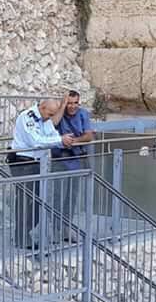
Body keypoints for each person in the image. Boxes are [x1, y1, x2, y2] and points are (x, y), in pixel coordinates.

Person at [8, 99, 74, 249]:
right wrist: (60, 140)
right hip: (23, 163)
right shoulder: (27, 117)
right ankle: (21, 237)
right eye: (49, 114)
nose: (50, 118)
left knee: (38, 203)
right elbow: (35, 141)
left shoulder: (45, 118)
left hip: (38, 163)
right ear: (42, 107)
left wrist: (62, 140)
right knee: (25, 202)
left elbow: (51, 133)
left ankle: (25, 233)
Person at [50, 91, 94, 241]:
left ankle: (66, 228)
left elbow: (88, 136)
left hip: (76, 159)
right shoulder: (59, 113)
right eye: (70, 103)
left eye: (75, 103)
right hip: (59, 159)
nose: (72, 106)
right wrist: (62, 107)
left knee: (71, 196)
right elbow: (53, 124)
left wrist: (73, 142)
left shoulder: (83, 114)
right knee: (57, 196)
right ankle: (55, 229)